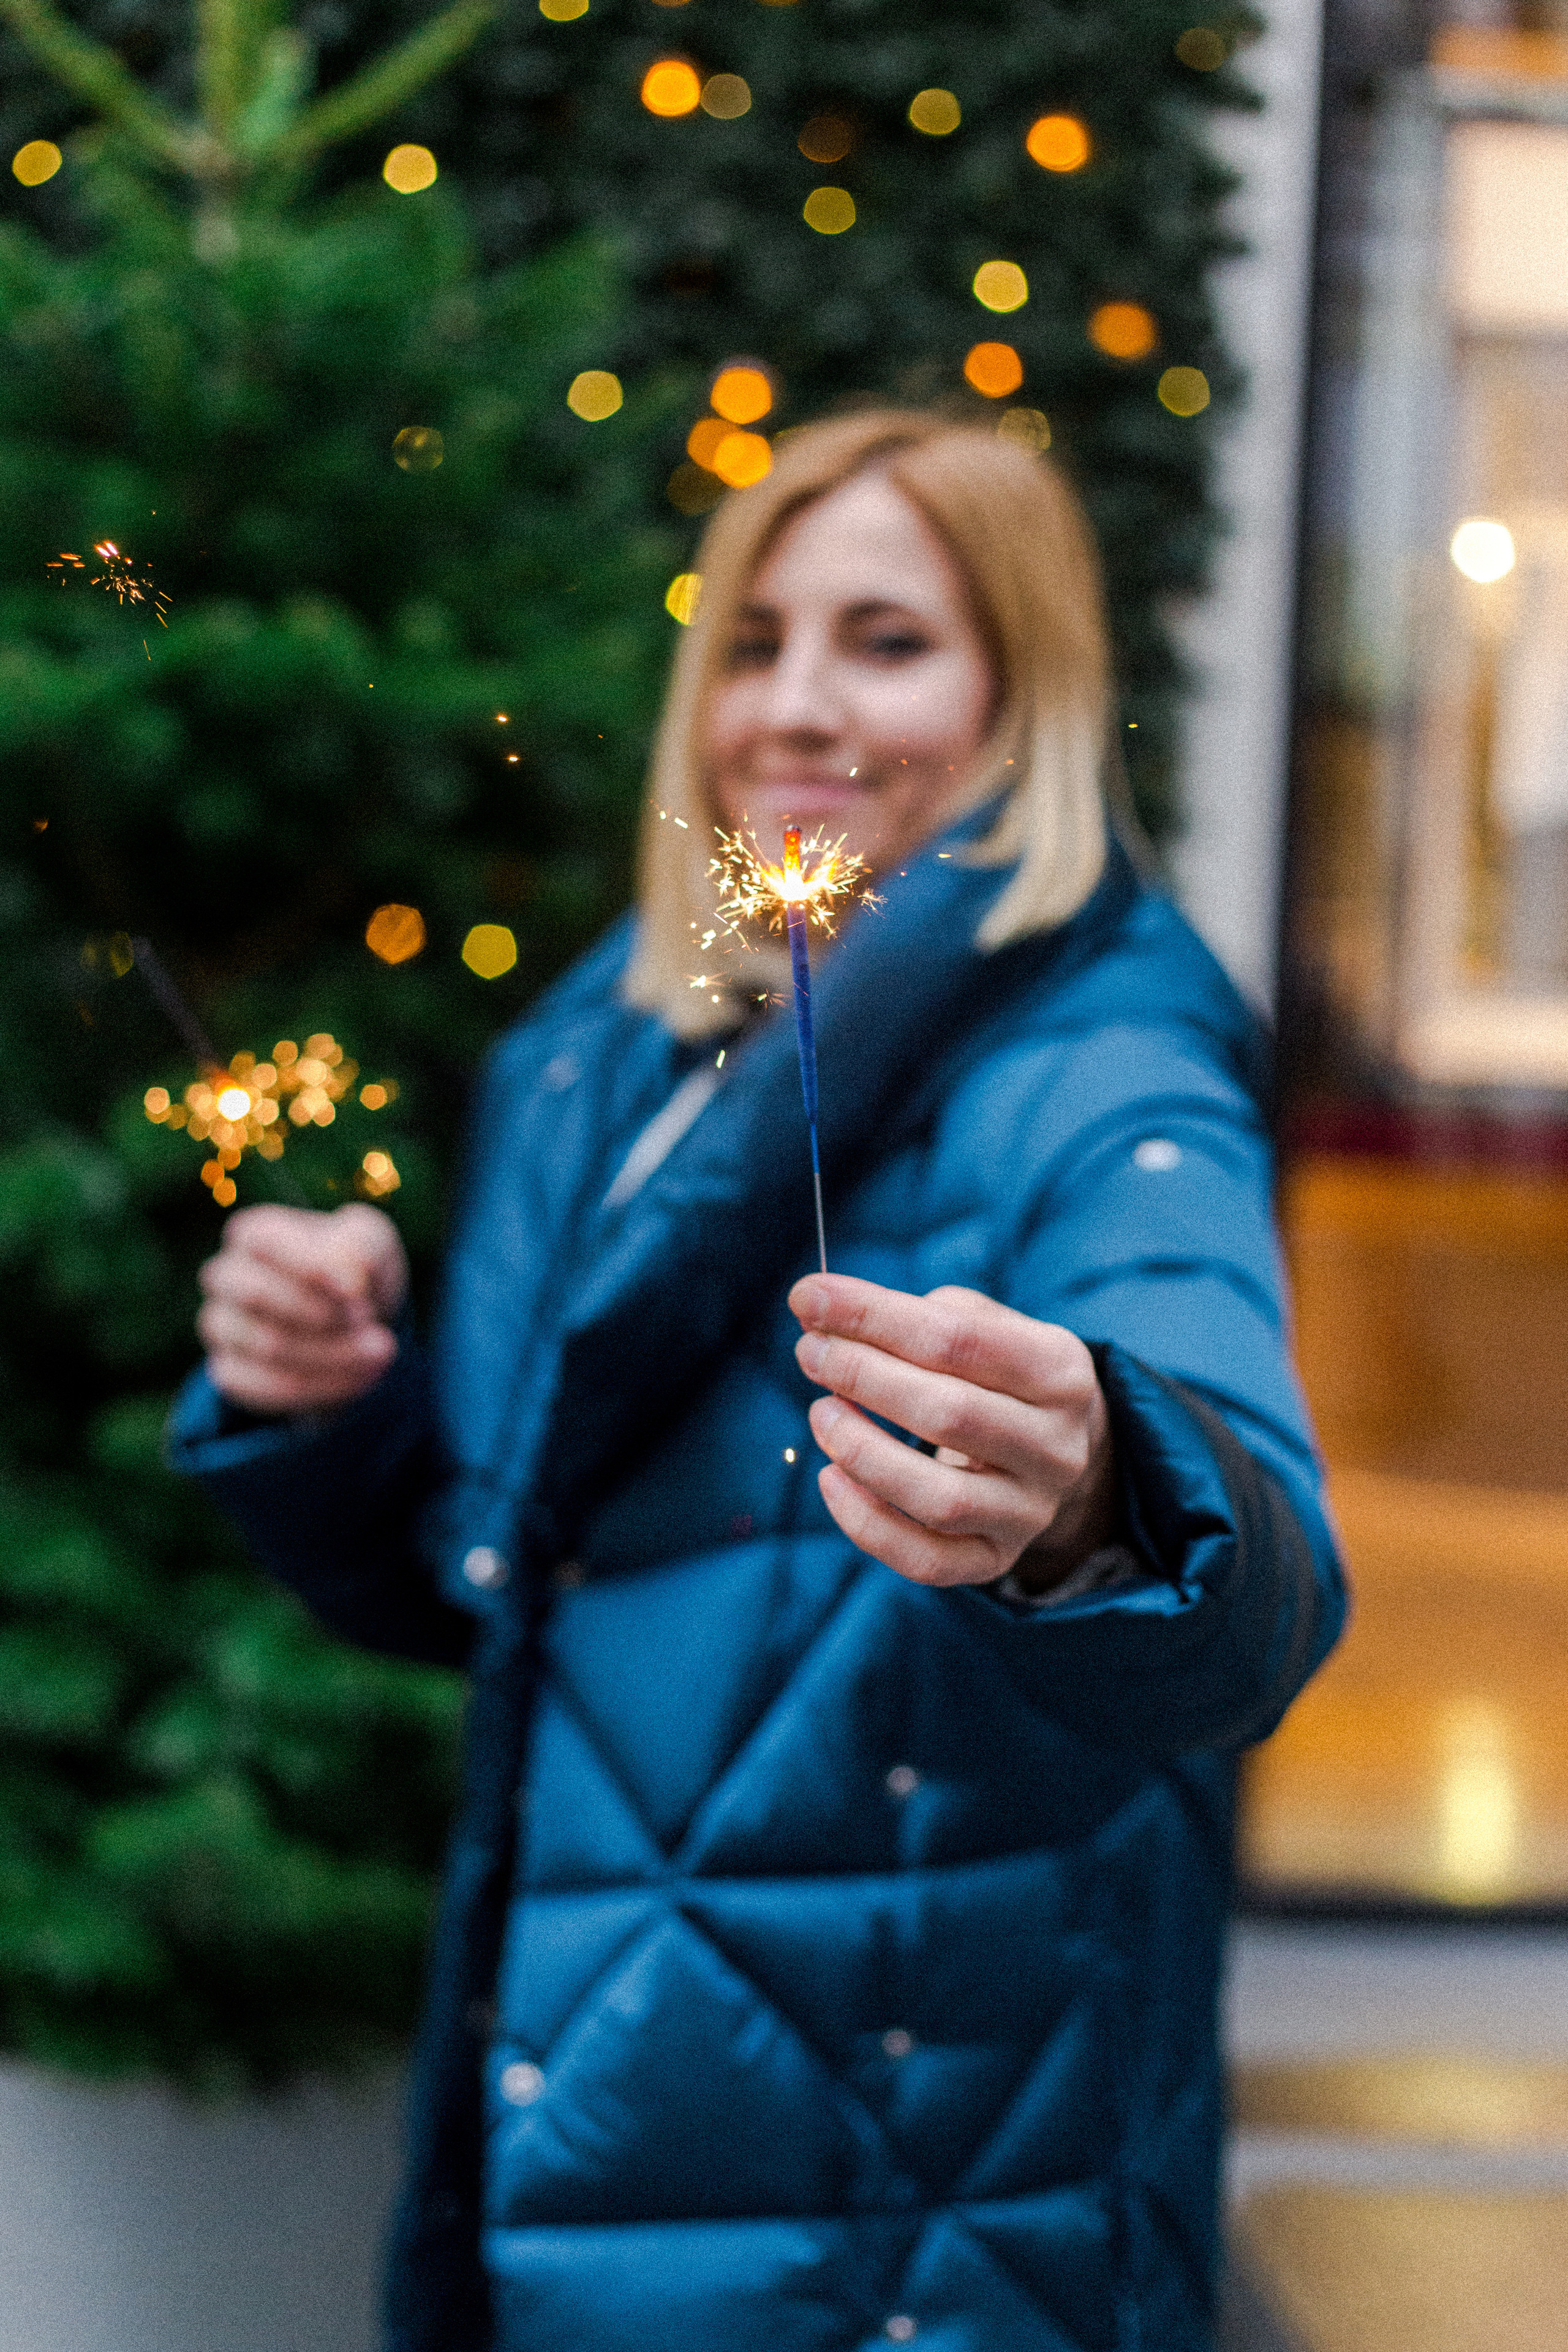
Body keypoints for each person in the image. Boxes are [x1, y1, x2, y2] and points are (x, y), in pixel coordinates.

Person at [170, 409, 1345, 2352]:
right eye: (754, 640)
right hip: (581, 2153)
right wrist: (330, 1410)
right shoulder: (599, 1064)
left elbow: (1254, 1602)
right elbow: (503, 1581)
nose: (795, 706)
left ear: (1023, 693)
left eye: (886, 641)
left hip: (924, 2227)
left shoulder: (1106, 1071)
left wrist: (1099, 1495)